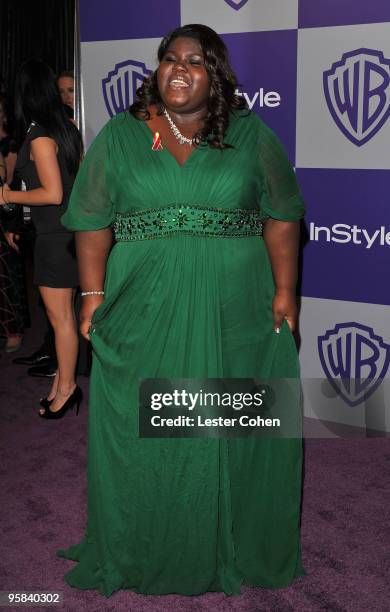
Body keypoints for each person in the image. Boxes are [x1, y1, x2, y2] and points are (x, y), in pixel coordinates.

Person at [57, 24, 305, 596]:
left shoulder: (250, 134)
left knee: (231, 417)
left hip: (235, 306)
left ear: (214, 74)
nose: (178, 68)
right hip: (144, 300)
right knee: (150, 420)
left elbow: (284, 212)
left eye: (194, 61)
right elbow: (91, 221)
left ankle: (235, 539)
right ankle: (147, 540)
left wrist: (286, 291)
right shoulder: (121, 136)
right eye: (169, 59)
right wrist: (92, 296)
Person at [0, 59, 83, 417]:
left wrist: (8, 195)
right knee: (62, 317)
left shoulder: (41, 137)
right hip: (60, 233)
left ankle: (67, 389)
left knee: (61, 318)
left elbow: (51, 193)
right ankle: (61, 384)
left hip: (56, 236)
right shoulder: (60, 130)